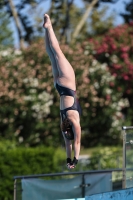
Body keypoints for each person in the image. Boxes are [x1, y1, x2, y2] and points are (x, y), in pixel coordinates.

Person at [43, 14, 81, 169]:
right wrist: (68, 160)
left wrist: (75, 160)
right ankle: (46, 29)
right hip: (58, 87)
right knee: (51, 53)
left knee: (57, 51)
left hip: (68, 85)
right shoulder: (64, 124)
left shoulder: (74, 122)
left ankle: (49, 27)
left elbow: (76, 142)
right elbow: (69, 144)